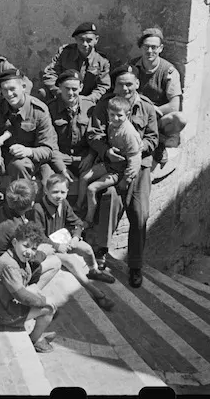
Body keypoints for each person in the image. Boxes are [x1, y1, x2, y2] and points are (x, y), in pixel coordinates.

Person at [86, 65, 158, 288]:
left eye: (129, 84)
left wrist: (133, 150)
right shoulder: (105, 106)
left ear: (137, 84)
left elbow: (154, 139)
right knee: (108, 200)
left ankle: (135, 266)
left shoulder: (146, 108)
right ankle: (101, 252)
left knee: (139, 213)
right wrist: (107, 151)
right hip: (111, 164)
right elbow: (93, 134)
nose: (125, 88)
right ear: (114, 86)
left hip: (139, 166)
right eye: (120, 84)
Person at [30, 174, 116, 311]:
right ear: (46, 191)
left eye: (63, 192)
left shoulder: (63, 204)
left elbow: (77, 222)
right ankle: (97, 293)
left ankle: (94, 271)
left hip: (64, 240)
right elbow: (39, 236)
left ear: (67, 192)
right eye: (55, 192)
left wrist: (76, 237)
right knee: (72, 263)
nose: (59, 196)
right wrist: (58, 246)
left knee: (87, 248)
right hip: (49, 247)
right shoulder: (38, 209)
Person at [0, 222, 61, 353]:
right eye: (26, 246)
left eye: (34, 249)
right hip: (0, 313)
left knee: (44, 300)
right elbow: (21, 296)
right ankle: (35, 340)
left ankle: (38, 319)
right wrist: (44, 302)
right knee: (49, 309)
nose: (29, 252)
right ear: (14, 242)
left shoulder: (15, 256)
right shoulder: (9, 265)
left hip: (5, 302)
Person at [0, 179, 61, 287]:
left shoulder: (3, 209)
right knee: (55, 262)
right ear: (32, 204)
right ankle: (27, 295)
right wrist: (43, 253)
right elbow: (27, 257)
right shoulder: (18, 229)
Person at [76, 96, 142, 227]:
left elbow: (135, 160)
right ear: (108, 113)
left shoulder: (129, 133)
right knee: (84, 177)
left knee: (91, 188)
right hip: (109, 163)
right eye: (112, 115)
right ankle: (79, 206)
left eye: (120, 115)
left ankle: (89, 219)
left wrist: (125, 180)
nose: (116, 118)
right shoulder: (112, 125)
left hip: (119, 171)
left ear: (127, 114)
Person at [128, 27, 187, 168]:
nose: (150, 51)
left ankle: (160, 142)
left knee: (179, 119)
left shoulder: (169, 71)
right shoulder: (132, 67)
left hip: (157, 115)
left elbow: (174, 105)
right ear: (141, 47)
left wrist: (151, 110)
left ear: (161, 48)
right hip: (136, 113)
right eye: (146, 47)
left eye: (154, 47)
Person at [0, 69, 60, 185]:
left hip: (29, 160)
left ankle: (21, 201)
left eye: (12, 89)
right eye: (4, 90)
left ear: (23, 87)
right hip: (2, 157)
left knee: (18, 165)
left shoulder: (39, 111)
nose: (9, 94)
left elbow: (48, 150)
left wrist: (27, 151)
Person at [42, 70, 97, 181]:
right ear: (60, 88)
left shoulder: (90, 107)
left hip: (85, 159)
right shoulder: (49, 109)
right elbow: (49, 141)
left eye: (74, 89)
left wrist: (91, 156)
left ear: (81, 87)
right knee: (48, 180)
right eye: (67, 89)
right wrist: (61, 168)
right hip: (58, 158)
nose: (71, 93)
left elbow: (97, 135)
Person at [40, 22, 111, 104]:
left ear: (96, 40)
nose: (85, 44)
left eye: (89, 40)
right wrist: (60, 92)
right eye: (81, 40)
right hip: (63, 95)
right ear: (76, 39)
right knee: (42, 93)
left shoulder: (102, 62)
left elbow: (103, 86)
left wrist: (88, 99)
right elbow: (50, 74)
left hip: (87, 100)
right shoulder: (65, 53)